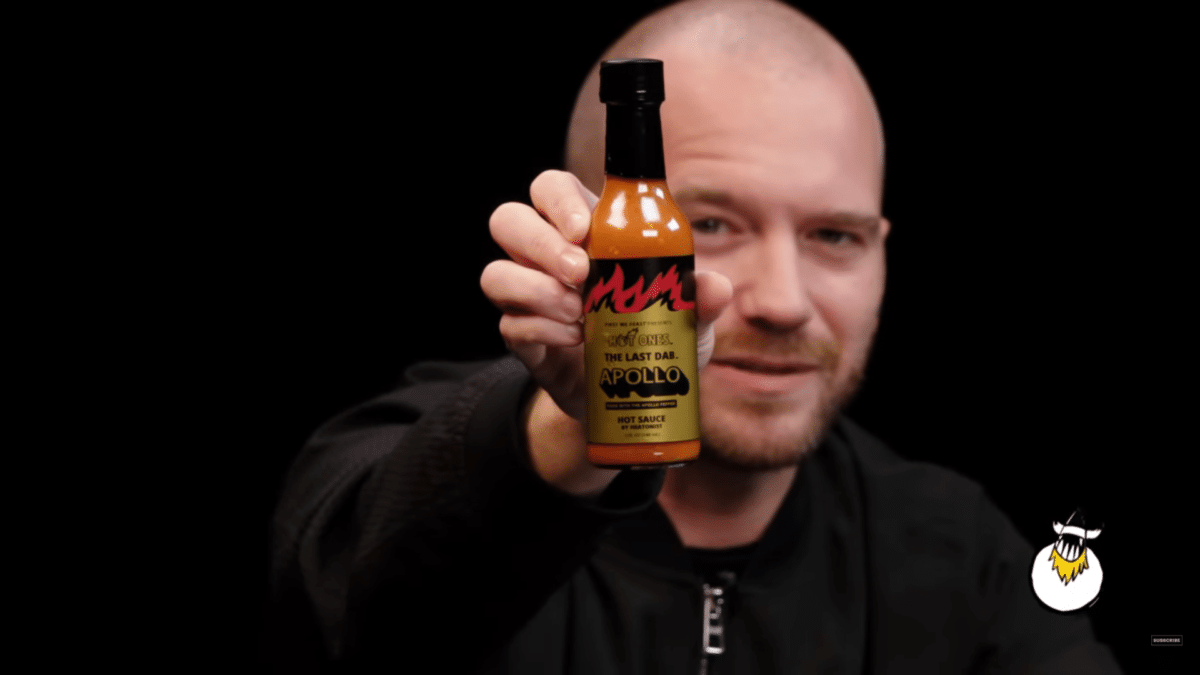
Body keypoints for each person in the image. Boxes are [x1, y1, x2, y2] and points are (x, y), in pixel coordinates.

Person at [267, 1, 1123, 672]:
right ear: (585, 229)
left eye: (834, 235)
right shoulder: (397, 448)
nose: (783, 302)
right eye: (708, 224)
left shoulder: (960, 552)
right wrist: (573, 430)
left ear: (882, 253)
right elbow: (347, 611)